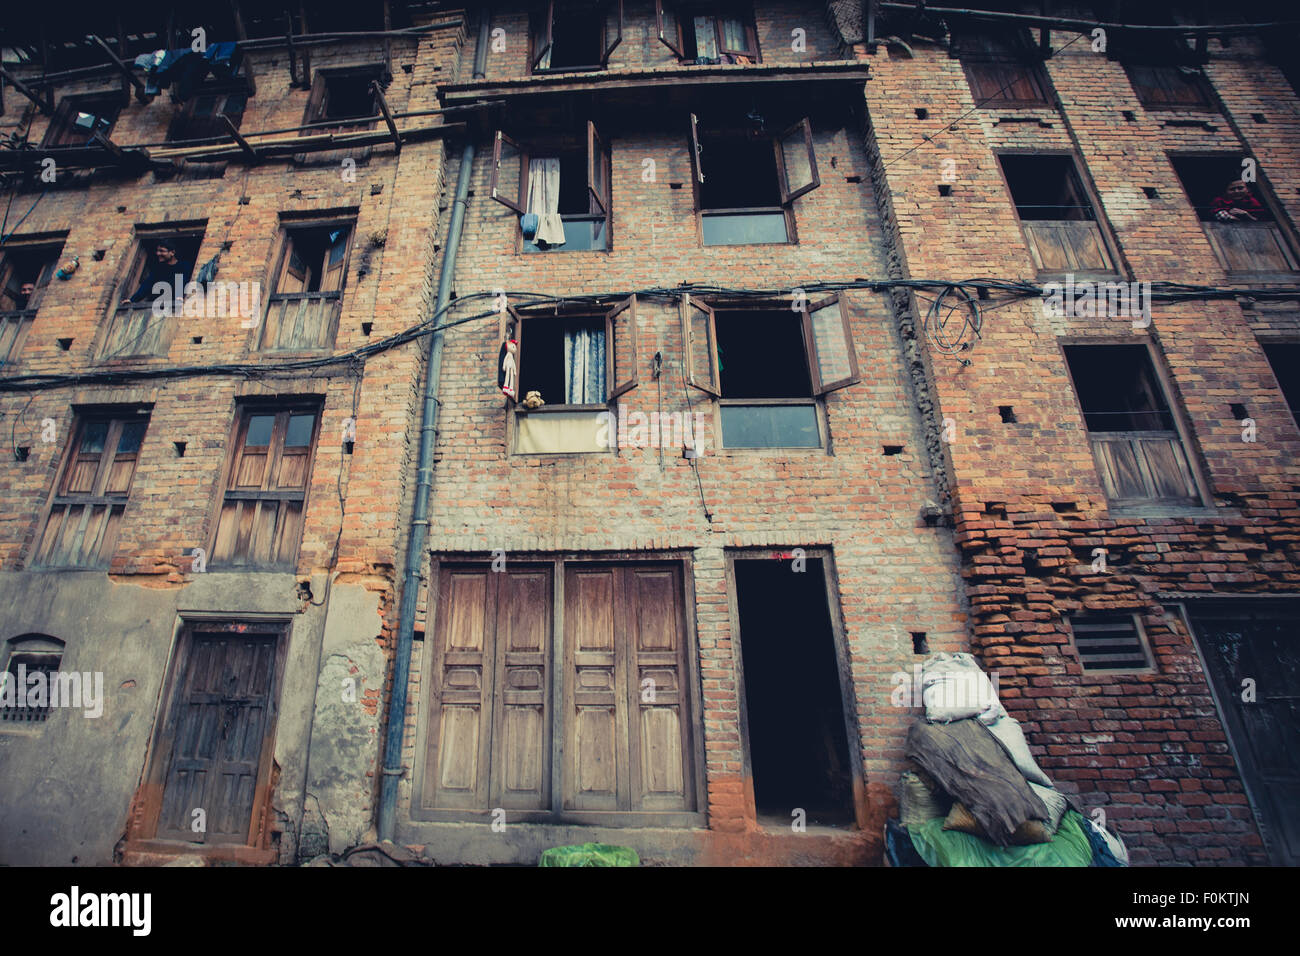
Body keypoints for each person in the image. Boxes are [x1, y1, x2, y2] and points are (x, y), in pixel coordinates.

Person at [120, 240, 194, 307]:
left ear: (172, 253)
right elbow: (147, 284)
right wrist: (132, 300)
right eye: (157, 251)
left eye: (162, 251)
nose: (158, 253)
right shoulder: (158, 269)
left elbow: (182, 280)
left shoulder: (183, 266)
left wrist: (180, 296)